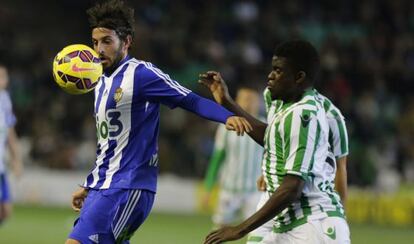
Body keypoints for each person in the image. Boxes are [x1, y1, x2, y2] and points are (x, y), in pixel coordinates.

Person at [66, 1, 252, 243]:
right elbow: (110, 143)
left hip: (128, 186)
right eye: (95, 42)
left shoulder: (142, 74)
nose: (99, 49)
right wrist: (92, 183)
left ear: (127, 42)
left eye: (107, 41)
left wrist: (227, 116)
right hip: (104, 186)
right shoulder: (98, 81)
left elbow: (190, 100)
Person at [199, 40, 350, 244]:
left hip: (313, 223)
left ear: (299, 77)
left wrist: (238, 230)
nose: (270, 75)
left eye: (278, 71)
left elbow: (292, 186)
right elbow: (272, 137)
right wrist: (227, 103)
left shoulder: (305, 114)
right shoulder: (279, 100)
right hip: (286, 217)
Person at [247, 89, 349, 243]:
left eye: (279, 71)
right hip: (273, 194)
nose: (272, 76)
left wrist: (341, 214)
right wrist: (267, 170)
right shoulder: (272, 95)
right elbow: (275, 139)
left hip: (306, 198)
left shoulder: (331, 116)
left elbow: (341, 167)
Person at [203, 87, 264, 228]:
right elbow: (217, 159)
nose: (249, 103)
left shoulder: (264, 127)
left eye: (252, 100)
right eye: (245, 99)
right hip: (229, 190)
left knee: (258, 234)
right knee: (220, 231)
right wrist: (208, 188)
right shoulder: (226, 126)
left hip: (254, 192)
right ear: (237, 102)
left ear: (258, 103)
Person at [0, 63, 23, 225]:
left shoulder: (5, 100)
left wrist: (16, 160)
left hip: (1, 166)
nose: (2, 80)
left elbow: (10, 133)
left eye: (3, 76)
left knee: (5, 212)